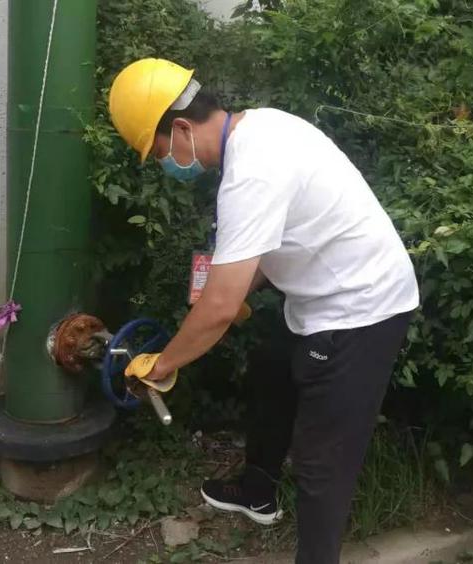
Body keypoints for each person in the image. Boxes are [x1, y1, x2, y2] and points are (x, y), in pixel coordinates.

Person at [110, 58, 419, 564]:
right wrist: (234, 295)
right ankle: (258, 490)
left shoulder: (251, 174)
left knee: (322, 465)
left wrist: (161, 366)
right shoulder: (263, 127)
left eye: (160, 151)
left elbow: (219, 307)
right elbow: (259, 255)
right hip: (325, 297)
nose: (165, 163)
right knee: (273, 368)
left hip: (361, 309)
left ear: (182, 128)